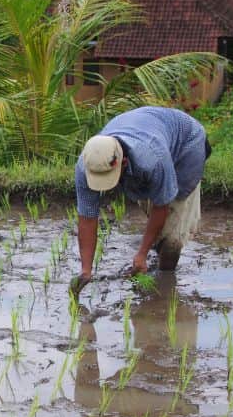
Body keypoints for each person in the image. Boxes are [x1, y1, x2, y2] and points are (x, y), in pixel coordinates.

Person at [70, 106, 211, 297]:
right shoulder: (86, 165)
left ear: (123, 162)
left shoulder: (152, 159)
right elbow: (87, 218)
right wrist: (86, 270)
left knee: (171, 240)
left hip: (186, 147)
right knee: (159, 226)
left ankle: (164, 292)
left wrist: (142, 253)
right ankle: (155, 248)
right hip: (148, 130)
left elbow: (161, 206)